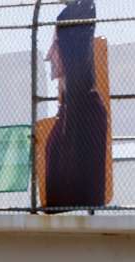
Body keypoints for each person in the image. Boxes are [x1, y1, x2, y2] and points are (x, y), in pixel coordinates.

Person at [44, 0, 108, 211]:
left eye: (56, 44)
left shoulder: (87, 108)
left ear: (69, 51)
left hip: (75, 227)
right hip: (62, 226)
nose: (48, 54)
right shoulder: (69, 110)